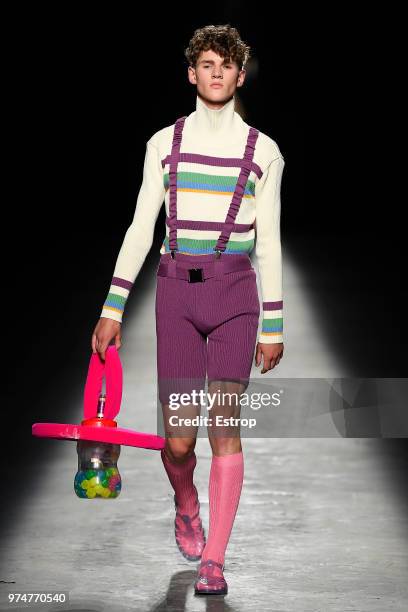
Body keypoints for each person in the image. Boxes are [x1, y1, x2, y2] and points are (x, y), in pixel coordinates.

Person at [91, 24, 285, 597]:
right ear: (191, 74)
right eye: (206, 64)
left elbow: (269, 240)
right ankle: (186, 503)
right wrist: (113, 306)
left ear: (240, 74)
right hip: (176, 295)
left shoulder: (264, 152)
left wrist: (272, 324)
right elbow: (140, 228)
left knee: (224, 426)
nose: (216, 73)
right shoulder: (163, 143)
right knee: (178, 440)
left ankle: (215, 561)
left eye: (226, 65)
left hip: (234, 297)